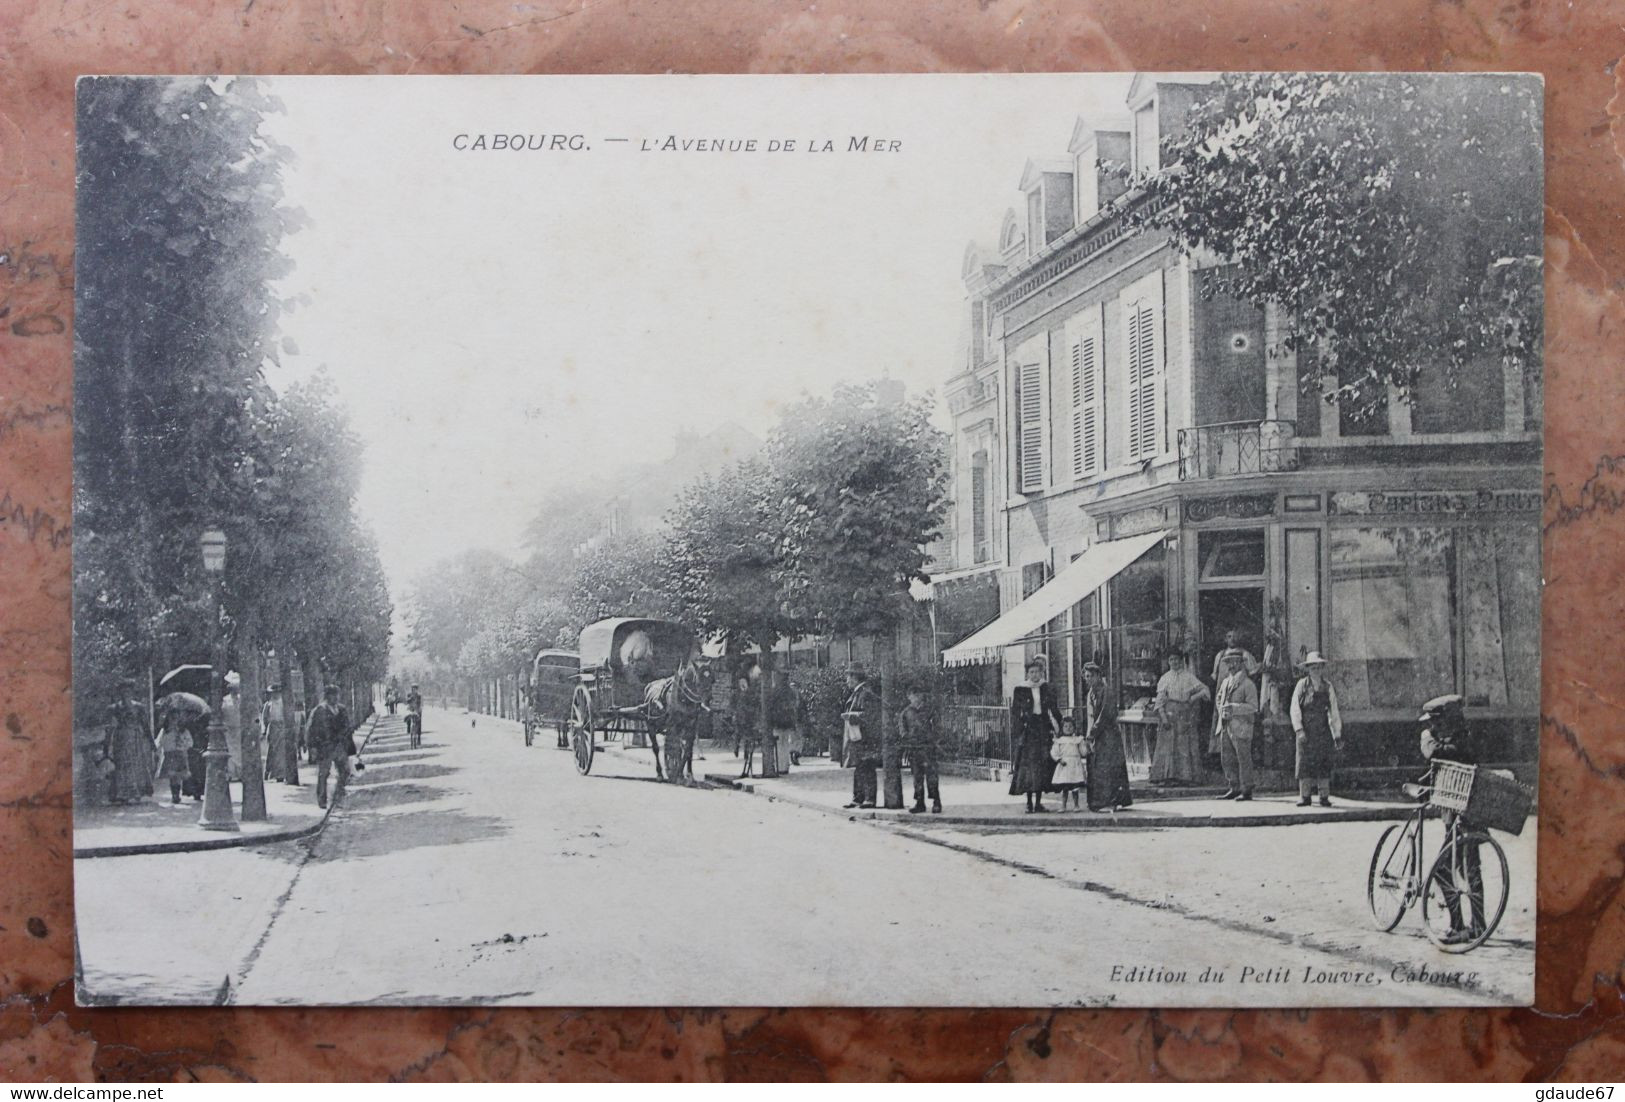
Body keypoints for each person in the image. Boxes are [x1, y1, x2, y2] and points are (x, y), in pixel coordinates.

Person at [1419, 693, 1484, 944]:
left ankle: (1468, 926)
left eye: (1435, 722)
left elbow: (1436, 754)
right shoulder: (1455, 738)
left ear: (1447, 721)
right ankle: (1468, 925)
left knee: (1460, 868)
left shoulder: (1461, 742)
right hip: (1456, 815)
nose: (1431, 727)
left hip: (1466, 815)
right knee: (1456, 868)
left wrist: (1428, 742)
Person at [1290, 651, 1344, 806]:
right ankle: (1305, 796)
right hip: (1305, 731)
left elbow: (1334, 711)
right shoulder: (1301, 685)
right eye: (1312, 667)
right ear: (1308, 669)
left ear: (1322, 668)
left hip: (1322, 731)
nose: (1316, 670)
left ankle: (1324, 796)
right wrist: (1299, 729)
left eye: (1318, 667)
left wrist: (1337, 734)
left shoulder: (1327, 686)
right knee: (1304, 763)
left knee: (1323, 762)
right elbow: (1294, 708)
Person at [1008, 655, 1061, 813]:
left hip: (1043, 728)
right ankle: (1029, 802)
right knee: (1029, 767)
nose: (1034, 675)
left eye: (1037, 672)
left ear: (1042, 672)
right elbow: (1015, 713)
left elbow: (1054, 709)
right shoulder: (1021, 689)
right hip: (1029, 730)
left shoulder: (1047, 688)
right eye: (1031, 672)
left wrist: (1061, 725)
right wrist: (1018, 731)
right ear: (1027, 674)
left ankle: (1038, 802)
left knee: (1043, 765)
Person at [1151, 651, 1210, 786]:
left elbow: (1205, 690)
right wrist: (1164, 718)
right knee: (1168, 746)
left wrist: (1192, 698)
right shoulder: (1165, 678)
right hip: (1169, 714)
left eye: (1177, 659)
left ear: (1182, 660)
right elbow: (1160, 701)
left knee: (1185, 745)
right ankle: (1167, 777)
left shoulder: (1189, 676)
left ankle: (1187, 777)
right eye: (1171, 659)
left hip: (1185, 715)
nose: (1174, 662)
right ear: (1168, 661)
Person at [1083, 661, 1133, 812]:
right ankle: (1098, 802)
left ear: (1098, 676)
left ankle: (1111, 801)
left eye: (1091, 676)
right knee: (1097, 768)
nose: (1088, 679)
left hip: (1108, 735)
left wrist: (1092, 733)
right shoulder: (1090, 693)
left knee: (1109, 768)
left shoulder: (1106, 691)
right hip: (1095, 735)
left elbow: (1105, 714)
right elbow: (1090, 717)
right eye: (1086, 677)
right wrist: (1088, 736)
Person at [1214, 649, 1260, 800]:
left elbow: (1253, 706)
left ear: (1241, 663)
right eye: (1228, 662)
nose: (1231, 665)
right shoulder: (1226, 682)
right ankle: (1234, 786)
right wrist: (1222, 709)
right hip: (1226, 724)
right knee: (1227, 757)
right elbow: (1219, 697)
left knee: (1243, 758)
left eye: (1234, 662)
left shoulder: (1248, 684)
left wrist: (1234, 708)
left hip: (1242, 726)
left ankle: (1246, 789)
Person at [105, 678, 155, 804]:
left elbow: (145, 725)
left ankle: (136, 792)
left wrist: (151, 742)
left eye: (128, 691)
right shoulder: (115, 708)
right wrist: (106, 746)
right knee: (122, 765)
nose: (126, 694)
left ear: (132, 692)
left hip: (135, 739)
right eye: (123, 691)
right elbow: (110, 727)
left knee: (136, 765)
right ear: (120, 693)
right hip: (121, 739)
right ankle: (122, 794)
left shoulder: (139, 707)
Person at [304, 684, 353, 810]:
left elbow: (348, 727)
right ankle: (322, 801)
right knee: (323, 773)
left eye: (337, 695)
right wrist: (312, 747)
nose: (336, 698)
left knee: (345, 771)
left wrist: (348, 743)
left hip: (339, 746)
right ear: (327, 696)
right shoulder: (319, 711)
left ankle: (338, 796)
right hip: (325, 747)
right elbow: (311, 730)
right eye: (333, 695)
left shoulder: (342, 710)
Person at [841, 664, 880, 809]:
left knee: (867, 766)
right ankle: (858, 797)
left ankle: (869, 798)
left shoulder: (865, 694)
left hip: (865, 736)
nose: (847, 680)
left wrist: (851, 716)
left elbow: (870, 715)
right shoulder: (858, 693)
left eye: (849, 676)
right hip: (857, 736)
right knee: (859, 766)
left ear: (856, 677)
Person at [898, 687, 942, 814]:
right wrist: (907, 738)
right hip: (914, 748)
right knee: (917, 776)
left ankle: (936, 801)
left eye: (918, 695)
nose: (916, 698)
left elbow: (938, 727)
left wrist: (934, 740)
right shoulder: (906, 712)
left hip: (928, 747)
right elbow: (902, 729)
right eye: (913, 695)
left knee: (932, 776)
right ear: (908, 697)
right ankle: (919, 802)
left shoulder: (930, 710)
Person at [154, 708, 193, 805]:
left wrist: (182, 742)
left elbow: (190, 742)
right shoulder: (165, 731)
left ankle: (177, 794)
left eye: (176, 718)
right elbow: (159, 743)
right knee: (172, 776)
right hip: (170, 754)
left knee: (179, 776)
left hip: (180, 754)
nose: (174, 721)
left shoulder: (184, 731)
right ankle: (174, 794)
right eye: (172, 718)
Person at [766, 669, 802, 773]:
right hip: (788, 722)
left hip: (777, 722)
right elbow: (795, 705)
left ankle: (780, 767)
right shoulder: (790, 691)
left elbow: (771, 706)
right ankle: (785, 767)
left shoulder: (775, 691)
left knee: (779, 745)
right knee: (785, 744)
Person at [1049, 714, 1088, 812]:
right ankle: (1063, 805)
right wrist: (1059, 759)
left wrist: (1085, 747)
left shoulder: (1077, 740)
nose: (1068, 728)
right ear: (1062, 728)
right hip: (1065, 765)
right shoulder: (1059, 741)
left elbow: (1083, 752)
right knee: (1065, 788)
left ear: (1074, 728)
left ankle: (1076, 805)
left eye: (1071, 726)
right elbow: (1054, 752)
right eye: (1066, 726)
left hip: (1074, 765)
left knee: (1075, 787)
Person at [262, 683, 298, 785]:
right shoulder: (268, 704)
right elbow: (265, 718)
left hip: (282, 728)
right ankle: (269, 772)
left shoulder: (284, 703)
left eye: (277, 693)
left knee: (282, 751)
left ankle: (281, 774)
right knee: (272, 751)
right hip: (273, 728)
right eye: (273, 693)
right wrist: (265, 729)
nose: (275, 695)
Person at [406, 683, 423, 748]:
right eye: (413, 688)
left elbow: (419, 703)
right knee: (407, 717)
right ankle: (408, 727)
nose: (414, 689)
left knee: (419, 722)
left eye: (415, 688)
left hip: (417, 709)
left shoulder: (419, 695)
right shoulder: (409, 694)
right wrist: (410, 698)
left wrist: (418, 709)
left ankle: (418, 737)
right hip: (411, 709)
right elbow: (407, 701)